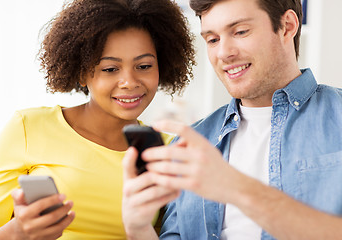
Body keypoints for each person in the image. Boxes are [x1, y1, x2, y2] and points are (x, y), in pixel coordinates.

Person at [122, 0, 342, 239]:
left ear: (287, 26)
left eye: (240, 32)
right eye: (213, 39)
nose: (224, 53)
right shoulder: (191, 144)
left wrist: (237, 188)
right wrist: (139, 228)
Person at [0, 0, 195, 239]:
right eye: (110, 69)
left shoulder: (168, 148)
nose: (130, 82)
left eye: (144, 66)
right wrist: (17, 232)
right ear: (82, 73)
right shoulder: (29, 127)